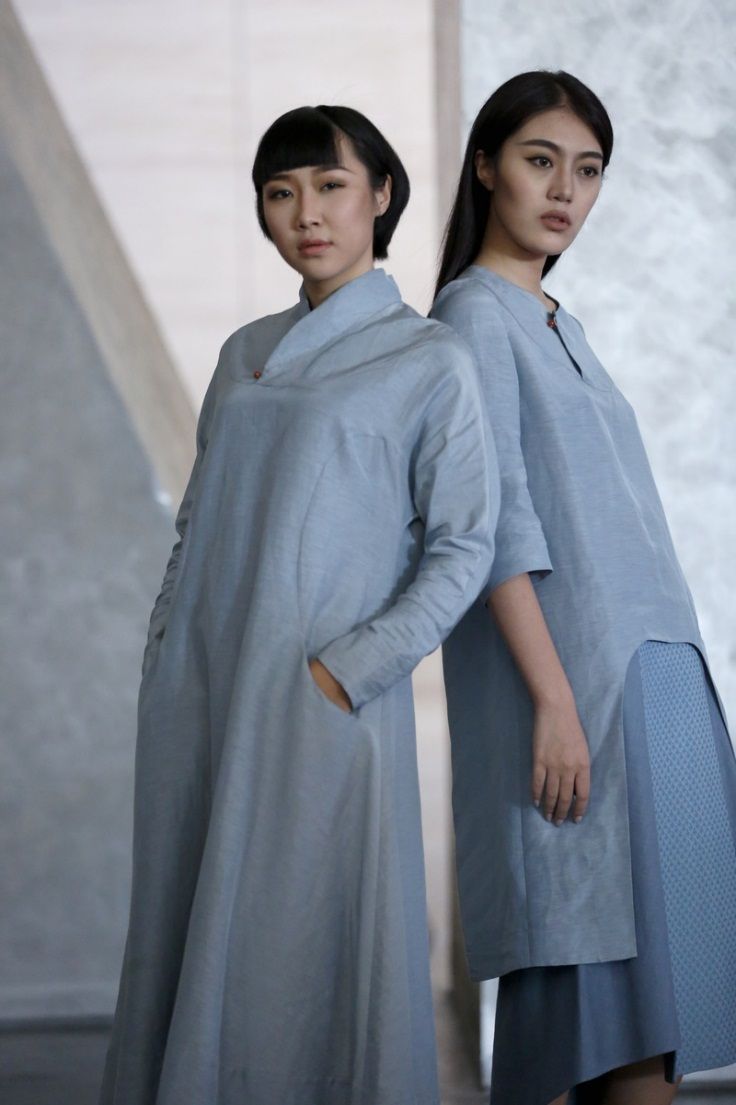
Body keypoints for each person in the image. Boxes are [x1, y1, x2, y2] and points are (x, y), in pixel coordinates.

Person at [99, 105, 498, 1105]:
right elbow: (198, 520)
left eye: (329, 185)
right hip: (201, 695)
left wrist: (350, 671)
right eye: (280, 193)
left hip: (321, 702)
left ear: (382, 194)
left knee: (303, 951)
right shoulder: (245, 350)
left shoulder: (428, 360)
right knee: (186, 931)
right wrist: (165, 651)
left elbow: (464, 547)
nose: (305, 213)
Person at [431, 70, 736, 1105]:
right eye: (540, 160)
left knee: (651, 1022)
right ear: (486, 167)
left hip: (656, 681)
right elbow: (492, 524)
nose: (565, 190)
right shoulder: (474, 317)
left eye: (589, 169)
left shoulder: (561, 319)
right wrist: (553, 701)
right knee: (586, 1014)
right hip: (581, 694)